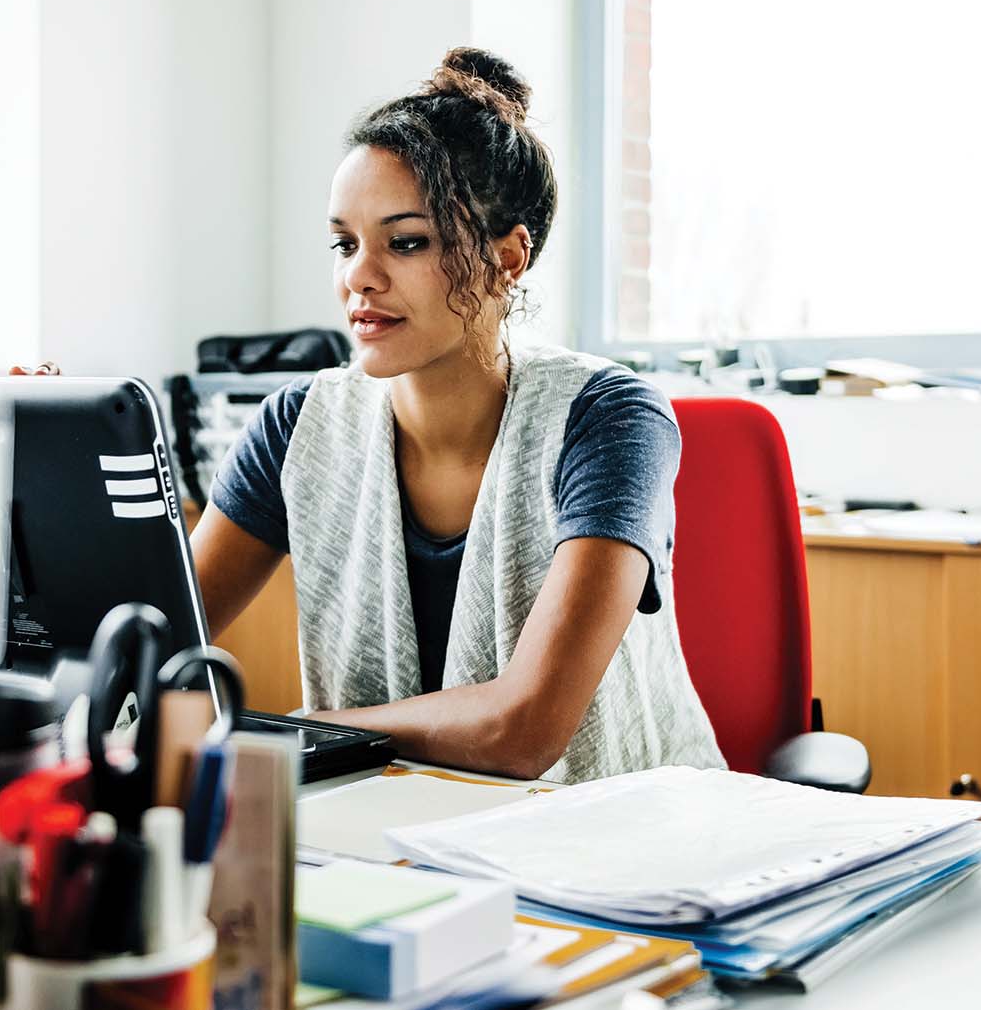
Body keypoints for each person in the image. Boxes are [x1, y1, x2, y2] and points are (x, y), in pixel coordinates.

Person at [190, 48, 723, 783]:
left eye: (406, 242)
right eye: (345, 243)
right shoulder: (298, 425)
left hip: (613, 852)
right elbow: (146, 644)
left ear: (508, 260)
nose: (358, 277)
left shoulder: (608, 418)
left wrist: (301, 733)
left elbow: (523, 731)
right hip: (388, 840)